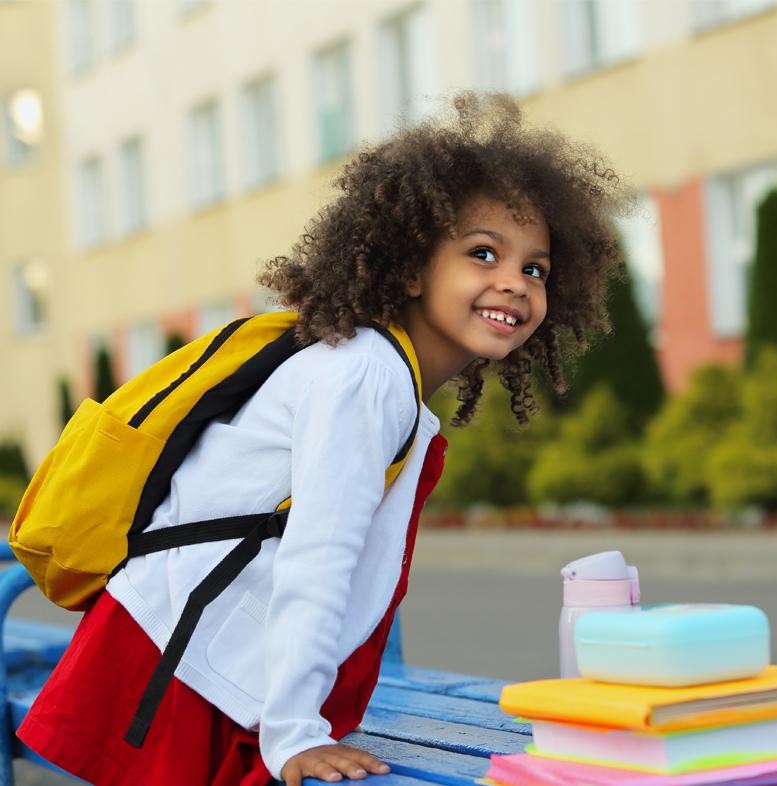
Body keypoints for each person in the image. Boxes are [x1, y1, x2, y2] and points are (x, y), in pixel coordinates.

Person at [17, 92, 629, 786]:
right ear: (408, 266)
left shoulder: (379, 372)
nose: (513, 283)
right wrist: (294, 735)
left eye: (535, 268)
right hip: (189, 664)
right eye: (482, 253)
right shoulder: (364, 377)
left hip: (213, 654)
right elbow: (319, 554)